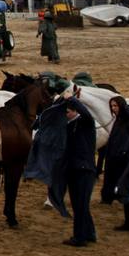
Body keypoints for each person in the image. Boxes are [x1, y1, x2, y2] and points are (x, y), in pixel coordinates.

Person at [101, 95, 129, 238]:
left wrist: (127, 160)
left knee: (125, 194)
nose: (114, 109)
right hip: (116, 163)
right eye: (112, 106)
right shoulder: (119, 121)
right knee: (122, 194)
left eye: (116, 106)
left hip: (127, 165)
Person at [57, 95, 98, 246]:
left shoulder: (85, 122)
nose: (65, 115)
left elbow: (86, 113)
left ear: (75, 112)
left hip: (84, 170)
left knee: (80, 204)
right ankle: (90, 233)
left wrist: (72, 100)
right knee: (79, 204)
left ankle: (79, 237)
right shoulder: (68, 126)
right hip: (74, 169)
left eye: (68, 112)